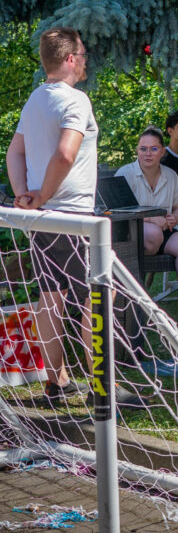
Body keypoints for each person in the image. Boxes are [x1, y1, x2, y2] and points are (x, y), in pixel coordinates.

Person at [5, 27, 98, 402]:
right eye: (84, 53)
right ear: (71, 59)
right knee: (93, 297)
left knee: (50, 297)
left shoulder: (34, 100)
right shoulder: (76, 100)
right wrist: (40, 195)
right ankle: (100, 389)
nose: (86, 59)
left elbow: (14, 154)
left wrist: (23, 196)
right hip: (73, 216)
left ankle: (55, 383)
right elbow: (65, 154)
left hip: (41, 219)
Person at [116, 127, 178, 329]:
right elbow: (117, 213)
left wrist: (174, 219)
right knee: (152, 233)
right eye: (143, 149)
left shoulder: (170, 176)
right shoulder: (125, 174)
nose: (148, 153)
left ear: (162, 152)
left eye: (153, 149)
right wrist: (153, 220)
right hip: (132, 236)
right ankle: (138, 301)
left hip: (164, 232)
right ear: (137, 151)